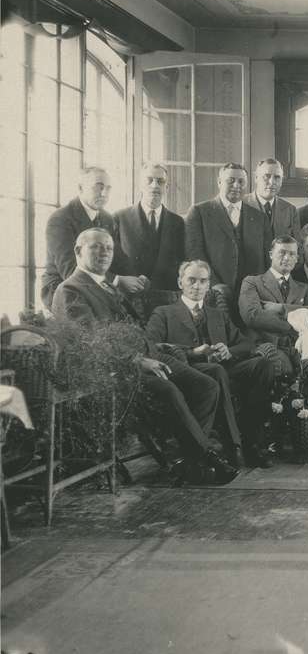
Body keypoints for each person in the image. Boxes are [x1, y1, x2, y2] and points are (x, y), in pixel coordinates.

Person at [51, 228, 236, 484]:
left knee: (207, 385)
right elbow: (90, 343)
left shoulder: (106, 286)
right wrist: (137, 360)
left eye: (109, 248)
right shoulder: (70, 290)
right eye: (96, 247)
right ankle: (204, 456)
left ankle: (190, 461)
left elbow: (133, 328)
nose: (104, 253)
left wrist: (157, 348)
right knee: (168, 390)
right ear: (78, 251)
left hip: (149, 353)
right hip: (115, 369)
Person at [146, 260, 277, 468]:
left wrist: (228, 350)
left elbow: (246, 344)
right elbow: (152, 346)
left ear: (209, 285)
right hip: (191, 369)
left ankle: (253, 442)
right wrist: (193, 352)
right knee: (215, 371)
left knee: (263, 366)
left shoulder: (218, 315)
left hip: (223, 366)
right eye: (191, 280)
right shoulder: (164, 313)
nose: (197, 286)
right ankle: (234, 446)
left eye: (203, 281)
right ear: (180, 282)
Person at [41, 166, 147, 309]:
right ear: (80, 188)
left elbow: (119, 258)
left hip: (98, 284)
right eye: (98, 187)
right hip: (63, 288)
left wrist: (136, 278)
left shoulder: (107, 219)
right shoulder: (60, 219)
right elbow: (70, 269)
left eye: (108, 188)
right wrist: (117, 280)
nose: (104, 193)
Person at [185, 163, 271, 318]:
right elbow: (195, 254)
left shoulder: (259, 217)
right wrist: (214, 284)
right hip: (212, 293)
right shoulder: (199, 212)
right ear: (219, 182)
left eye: (241, 182)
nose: (236, 186)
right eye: (230, 181)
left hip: (251, 297)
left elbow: (266, 259)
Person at [238, 235, 308, 375]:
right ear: (271, 255)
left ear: (297, 259)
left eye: (292, 254)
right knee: (285, 371)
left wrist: (282, 309)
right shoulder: (252, 282)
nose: (287, 258)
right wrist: (293, 325)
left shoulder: (303, 288)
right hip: (267, 345)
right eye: (282, 252)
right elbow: (252, 315)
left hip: (300, 346)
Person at [111, 162, 185, 298]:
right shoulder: (119, 218)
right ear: (140, 185)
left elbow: (182, 263)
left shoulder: (178, 222)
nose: (155, 186)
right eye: (149, 180)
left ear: (166, 187)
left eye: (160, 181)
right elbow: (112, 261)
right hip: (129, 299)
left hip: (165, 300)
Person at [247, 158, 301, 241]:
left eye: (277, 177)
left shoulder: (290, 210)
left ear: (282, 180)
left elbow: (297, 246)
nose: (272, 182)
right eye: (266, 176)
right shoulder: (242, 204)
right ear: (256, 178)